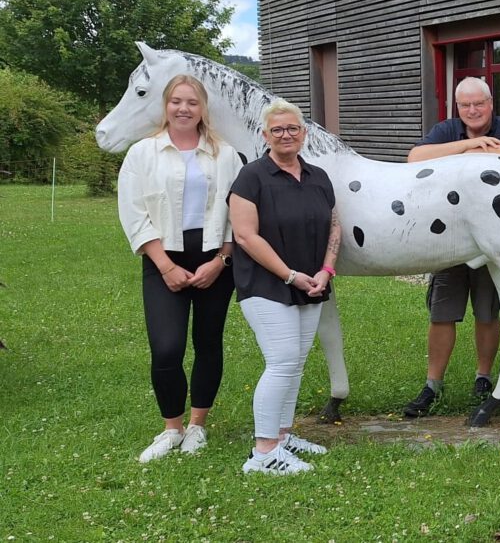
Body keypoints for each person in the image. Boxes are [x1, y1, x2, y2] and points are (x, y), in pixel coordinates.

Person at [117, 74, 243, 462]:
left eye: (191, 102)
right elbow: (133, 212)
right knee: (167, 348)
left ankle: (197, 426)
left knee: (208, 343)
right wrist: (165, 266)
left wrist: (221, 261)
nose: (183, 108)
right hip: (163, 258)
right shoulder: (142, 154)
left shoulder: (226, 155)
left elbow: (239, 214)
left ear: (203, 108)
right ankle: (171, 428)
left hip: (214, 260)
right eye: (176, 101)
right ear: (165, 106)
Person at [402, 77, 500, 416]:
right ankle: (432, 385)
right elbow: (415, 157)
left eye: (479, 103)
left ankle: (483, 378)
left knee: (487, 312)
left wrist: (475, 151)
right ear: (457, 108)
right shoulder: (448, 130)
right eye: (465, 105)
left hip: (492, 237)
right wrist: (466, 147)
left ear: (491, 103)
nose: (473, 111)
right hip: (447, 236)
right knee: (442, 313)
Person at [228, 98, 341, 475]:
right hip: (266, 284)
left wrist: (326, 270)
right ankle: (263, 454)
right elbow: (245, 236)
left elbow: (334, 225)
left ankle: (282, 435)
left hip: (311, 283)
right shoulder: (251, 177)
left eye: (292, 128)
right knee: (281, 362)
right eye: (277, 129)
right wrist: (290, 275)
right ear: (265, 136)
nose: (286, 135)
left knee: (295, 365)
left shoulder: (318, 177)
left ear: (304, 133)